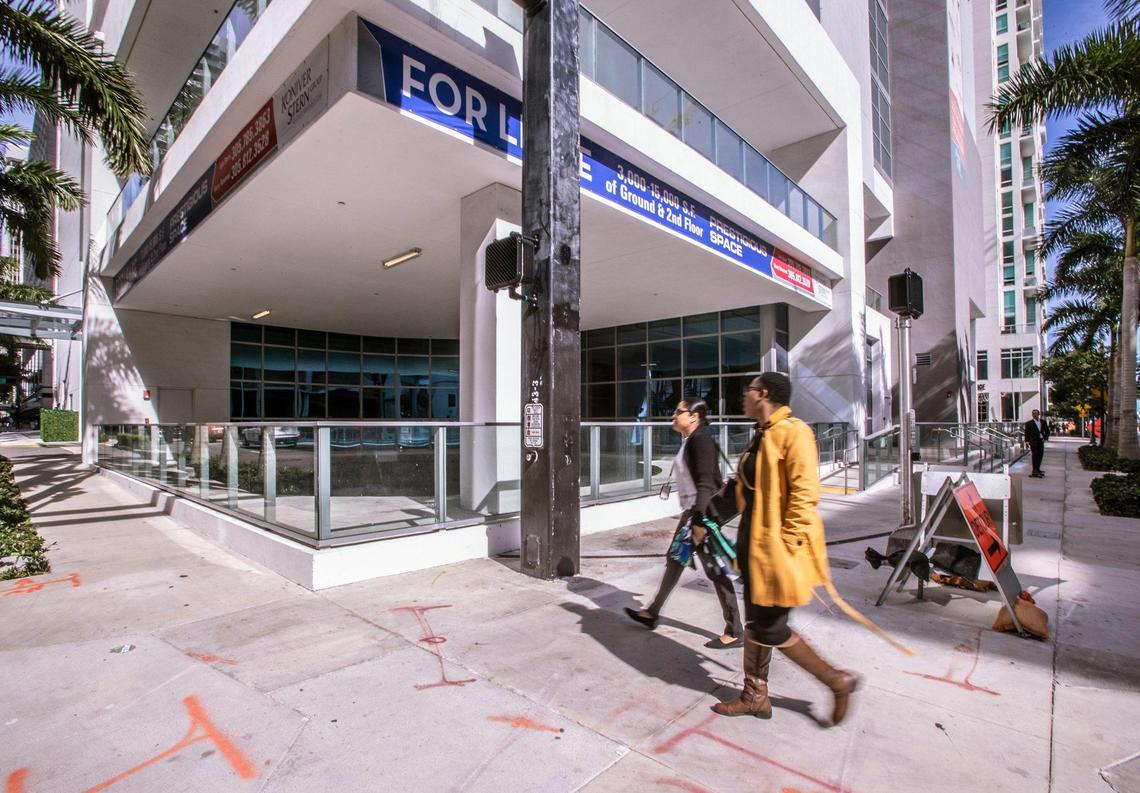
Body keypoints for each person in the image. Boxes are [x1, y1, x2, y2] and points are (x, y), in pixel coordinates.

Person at [712, 372, 859, 725]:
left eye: (748, 391)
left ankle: (836, 680)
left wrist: (788, 546)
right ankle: (755, 695)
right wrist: (710, 517)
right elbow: (743, 488)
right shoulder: (763, 434)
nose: (743, 397)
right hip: (754, 547)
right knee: (757, 623)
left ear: (762, 394)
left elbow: (805, 496)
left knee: (770, 629)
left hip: (775, 552)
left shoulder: (795, 432)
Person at [625, 398, 744, 649]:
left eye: (678, 412)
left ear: (694, 416)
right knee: (675, 559)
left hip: (700, 515)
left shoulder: (700, 441)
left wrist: (699, 520)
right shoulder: (691, 440)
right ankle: (652, 612)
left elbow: (705, 483)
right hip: (692, 513)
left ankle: (735, 630)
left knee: (715, 569)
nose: (673, 416)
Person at [1023, 408, 1049, 477]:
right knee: (1035, 455)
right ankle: (1034, 471)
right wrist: (1027, 441)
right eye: (1033, 414)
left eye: (1036, 413)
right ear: (1032, 415)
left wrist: (1045, 438)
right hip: (1033, 442)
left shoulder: (1043, 422)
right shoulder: (1029, 423)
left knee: (1040, 455)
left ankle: (1038, 469)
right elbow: (1027, 433)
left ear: (1038, 414)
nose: (1034, 415)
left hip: (1041, 441)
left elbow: (1047, 431)